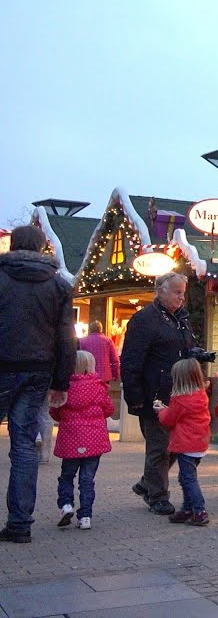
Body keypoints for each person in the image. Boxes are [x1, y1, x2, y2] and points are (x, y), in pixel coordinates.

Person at [0, 224, 76, 544]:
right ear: (44, 247)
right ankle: (20, 523)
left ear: (12, 245)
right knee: (23, 446)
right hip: (38, 371)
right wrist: (61, 381)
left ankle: (18, 522)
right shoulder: (58, 285)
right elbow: (66, 338)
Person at [121, 272, 196, 516]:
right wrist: (134, 396)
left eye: (183, 293)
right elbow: (131, 360)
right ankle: (158, 496)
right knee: (160, 446)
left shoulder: (180, 319)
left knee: (177, 444)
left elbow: (183, 349)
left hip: (179, 394)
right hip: (154, 394)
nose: (181, 298)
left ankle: (148, 483)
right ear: (161, 291)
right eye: (177, 292)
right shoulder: (145, 320)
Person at [51, 350, 114, 531]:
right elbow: (109, 409)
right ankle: (85, 516)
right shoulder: (99, 387)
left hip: (70, 439)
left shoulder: (65, 388)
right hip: (94, 440)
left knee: (67, 475)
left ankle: (66, 505)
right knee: (87, 480)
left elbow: (54, 411)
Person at [156, 358, 212, 526]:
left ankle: (199, 510)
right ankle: (187, 509)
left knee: (188, 479)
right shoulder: (201, 395)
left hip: (187, 444)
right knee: (186, 477)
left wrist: (161, 411)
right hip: (200, 443)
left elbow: (168, 420)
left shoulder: (180, 399)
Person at [79, 320, 121, 427]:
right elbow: (115, 360)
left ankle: (87, 421)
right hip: (104, 376)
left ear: (90, 329)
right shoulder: (107, 341)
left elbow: (78, 358)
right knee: (102, 400)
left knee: (86, 399)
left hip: (86, 375)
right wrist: (116, 374)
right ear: (101, 329)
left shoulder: (82, 341)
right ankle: (101, 421)